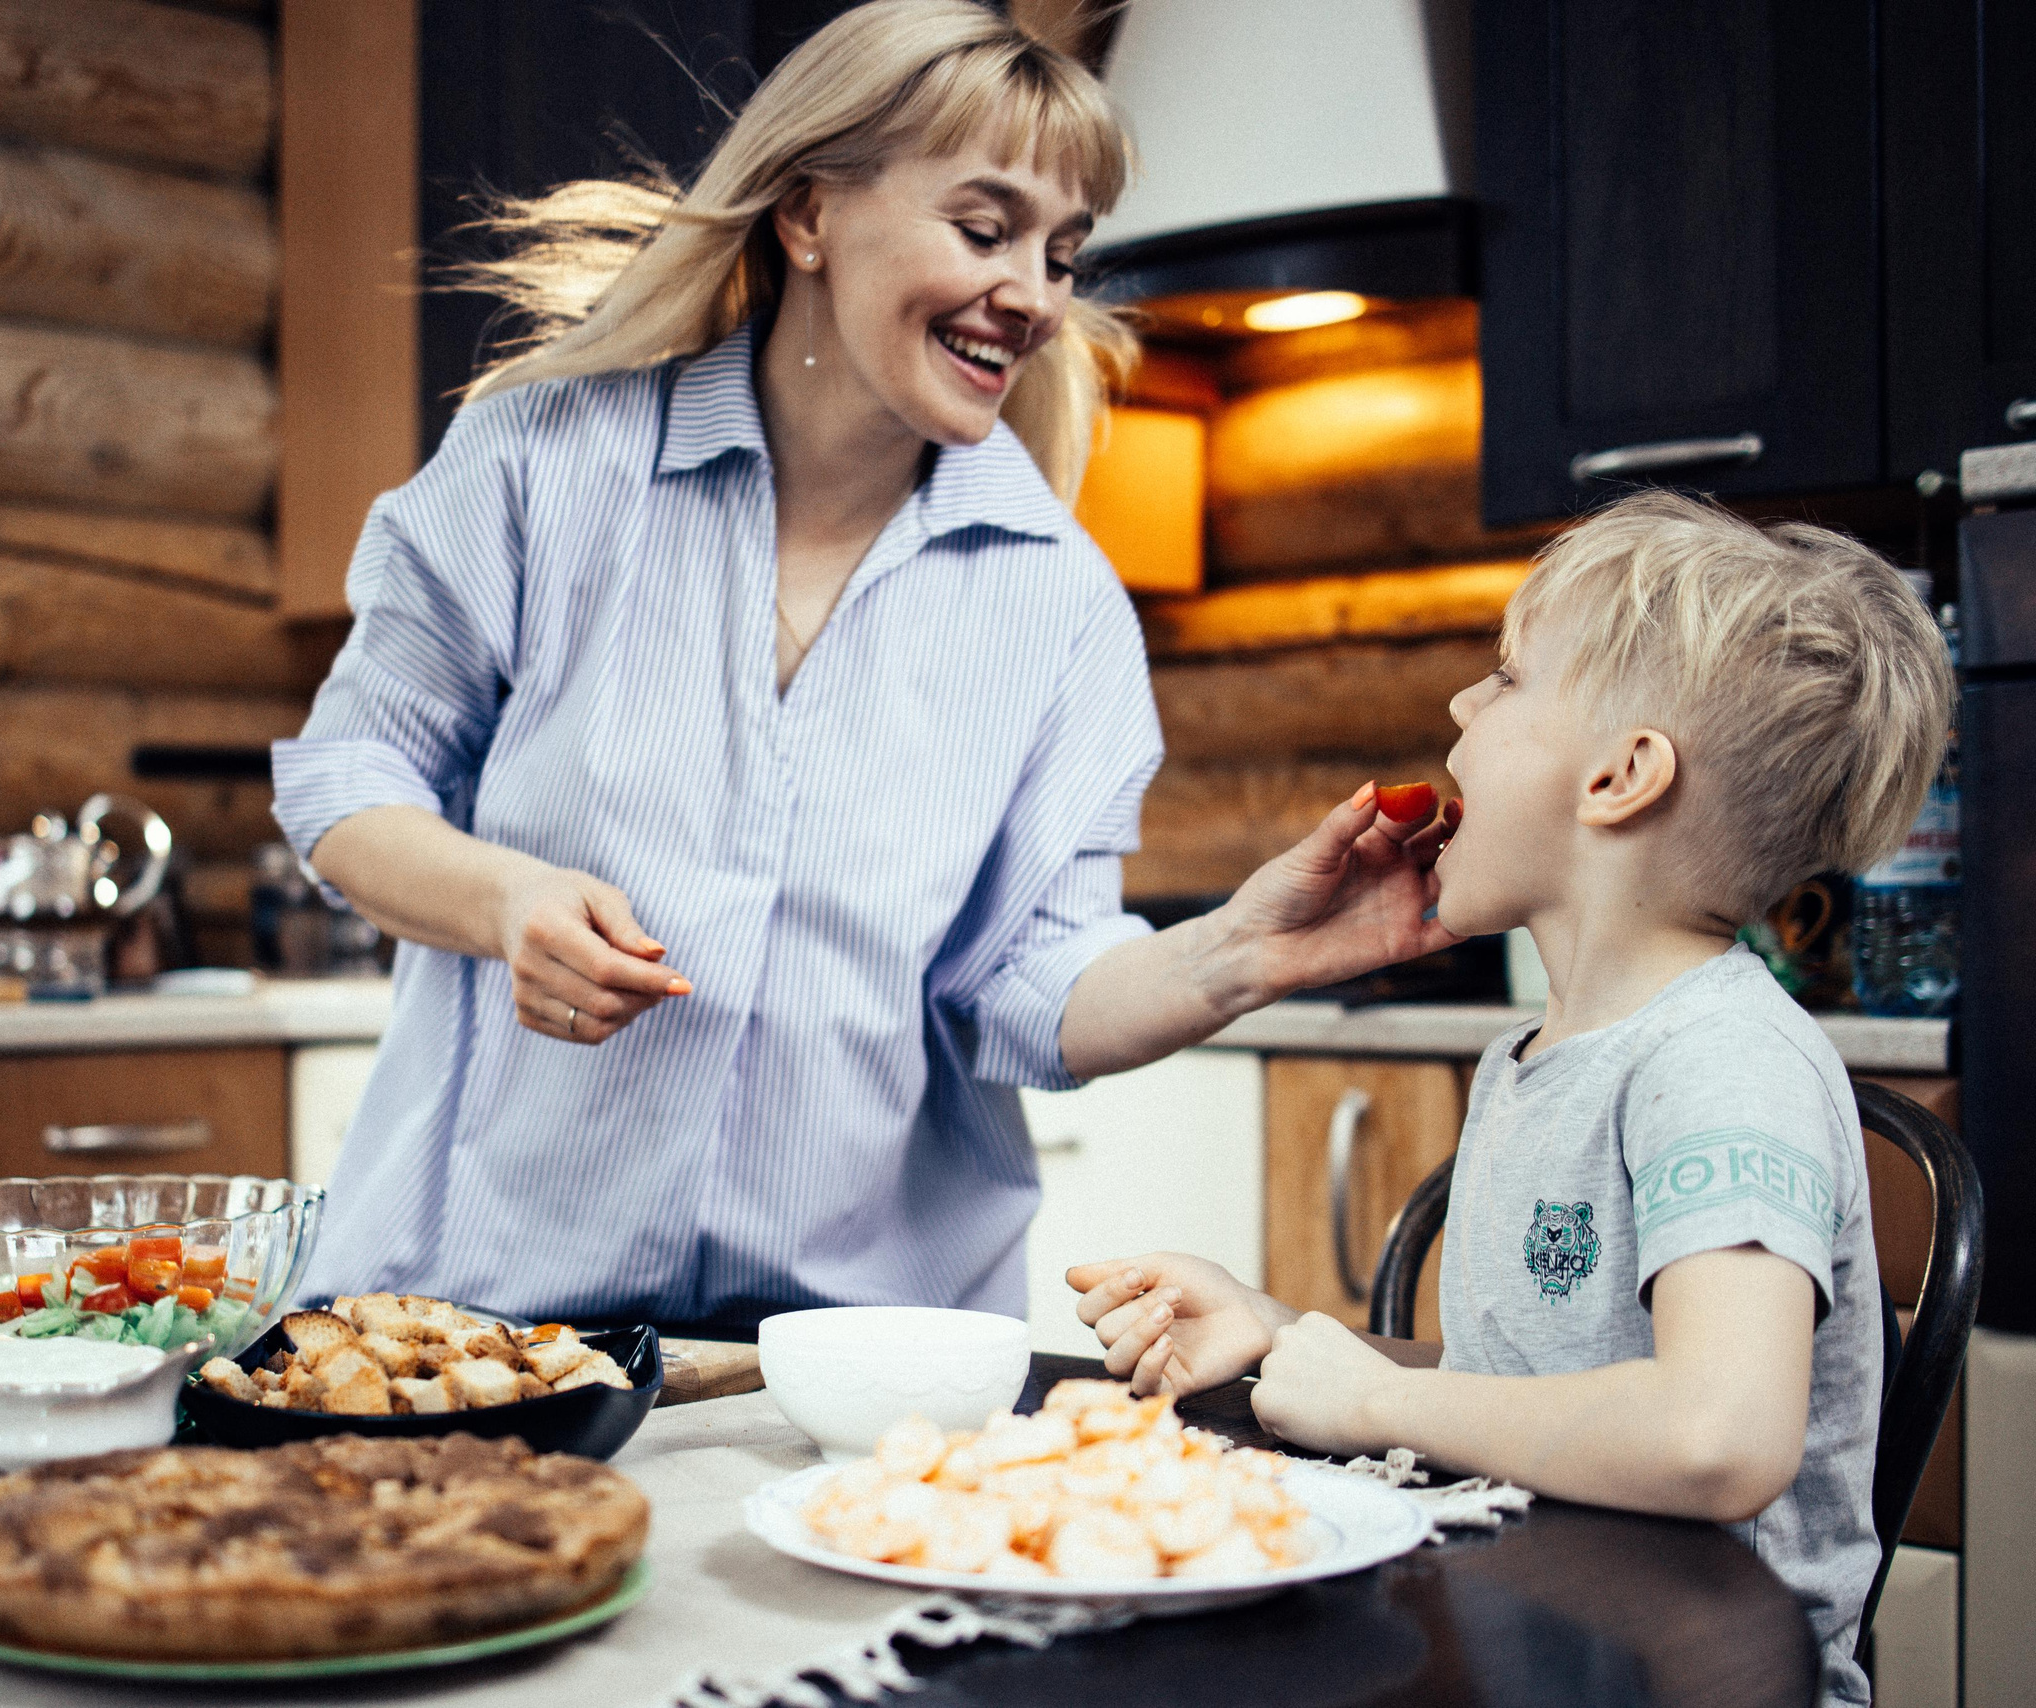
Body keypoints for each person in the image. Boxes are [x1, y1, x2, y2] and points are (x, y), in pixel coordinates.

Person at [272, 0, 1457, 1332]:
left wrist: (1243, 952)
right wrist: (503, 903)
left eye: (1064, 254)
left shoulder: (1056, 606)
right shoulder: (550, 466)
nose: (1034, 296)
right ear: (810, 213)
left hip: (856, 1365)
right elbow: (348, 777)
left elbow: (1029, 990)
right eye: (984, 226)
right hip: (482, 1329)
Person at [1069, 491, 1954, 1706]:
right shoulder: (1539, 1057)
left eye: (1505, 677)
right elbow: (1536, 1387)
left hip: (1705, 1677)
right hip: (1539, 1643)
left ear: (1620, 776)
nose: (1459, 707)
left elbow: (1715, 1432)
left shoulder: (1721, 1063)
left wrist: (1376, 1399)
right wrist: (1288, 1338)